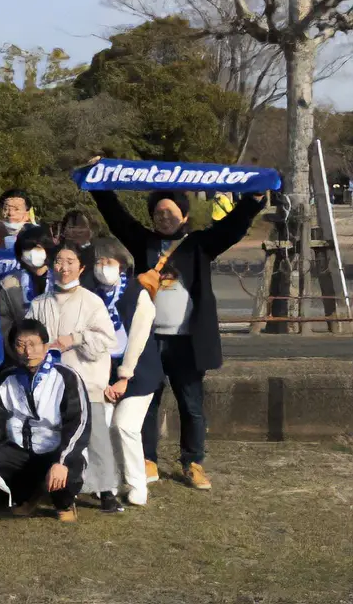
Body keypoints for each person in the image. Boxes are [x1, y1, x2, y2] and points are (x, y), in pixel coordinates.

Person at [89, 182, 267, 491]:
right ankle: (147, 460)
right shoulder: (142, 241)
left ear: (184, 216)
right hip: (149, 340)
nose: (164, 218)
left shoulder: (199, 243)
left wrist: (252, 201)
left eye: (170, 212)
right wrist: (100, 186)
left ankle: (192, 462)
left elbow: (231, 228)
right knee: (147, 401)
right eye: (158, 213)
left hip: (187, 341)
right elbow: (117, 218)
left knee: (191, 404)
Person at [30, 242, 122, 514]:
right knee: (50, 437)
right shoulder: (39, 303)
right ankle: (48, 487)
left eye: (70, 261)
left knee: (95, 438)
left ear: (81, 267)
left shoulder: (92, 302)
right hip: (49, 383)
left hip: (85, 383)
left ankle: (107, 491)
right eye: (59, 260)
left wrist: (76, 339)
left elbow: (107, 340)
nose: (64, 267)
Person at [0, 320, 89, 522]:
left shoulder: (66, 377)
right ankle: (26, 496)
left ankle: (64, 501)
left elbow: (78, 423)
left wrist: (62, 461)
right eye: (20, 345)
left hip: (56, 449)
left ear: (46, 346)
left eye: (34, 344)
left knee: (66, 468)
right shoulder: (5, 379)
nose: (28, 351)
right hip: (21, 449)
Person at [91, 237, 161, 507]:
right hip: (104, 374)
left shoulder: (137, 293)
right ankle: (108, 481)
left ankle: (137, 483)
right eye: (98, 262)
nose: (102, 267)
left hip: (139, 373)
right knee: (104, 427)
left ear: (122, 265)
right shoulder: (92, 294)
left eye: (109, 262)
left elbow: (138, 339)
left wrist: (124, 376)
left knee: (125, 426)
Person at [0, 226, 53, 363]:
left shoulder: (61, 279)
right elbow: (4, 325)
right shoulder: (9, 284)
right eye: (28, 249)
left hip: (59, 353)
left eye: (38, 248)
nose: (33, 253)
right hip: (24, 357)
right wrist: (18, 354)